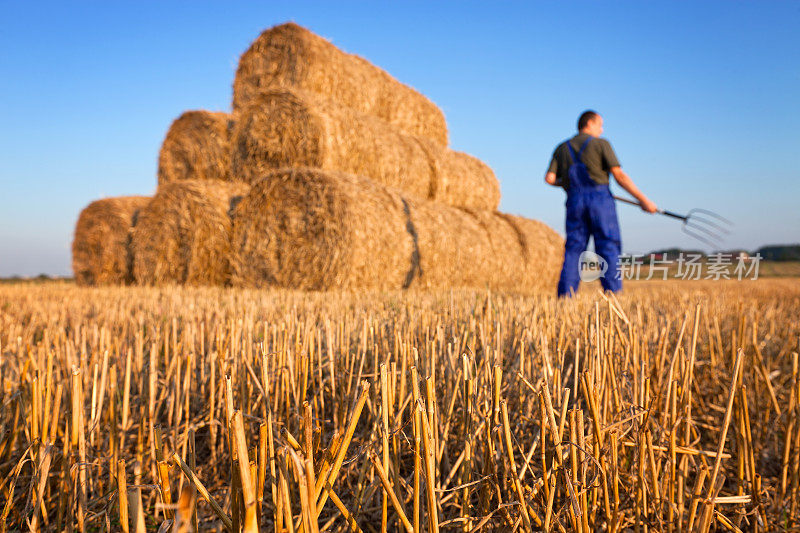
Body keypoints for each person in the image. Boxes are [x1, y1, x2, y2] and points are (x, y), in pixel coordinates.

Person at [545, 111, 657, 297]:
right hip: (600, 201)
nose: (602, 129)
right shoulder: (601, 144)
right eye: (600, 125)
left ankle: (565, 297)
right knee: (607, 246)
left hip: (575, 202)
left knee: (574, 249)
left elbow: (549, 179)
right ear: (589, 123)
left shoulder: (562, 148)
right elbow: (619, 176)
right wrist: (643, 200)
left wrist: (567, 184)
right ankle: (613, 295)